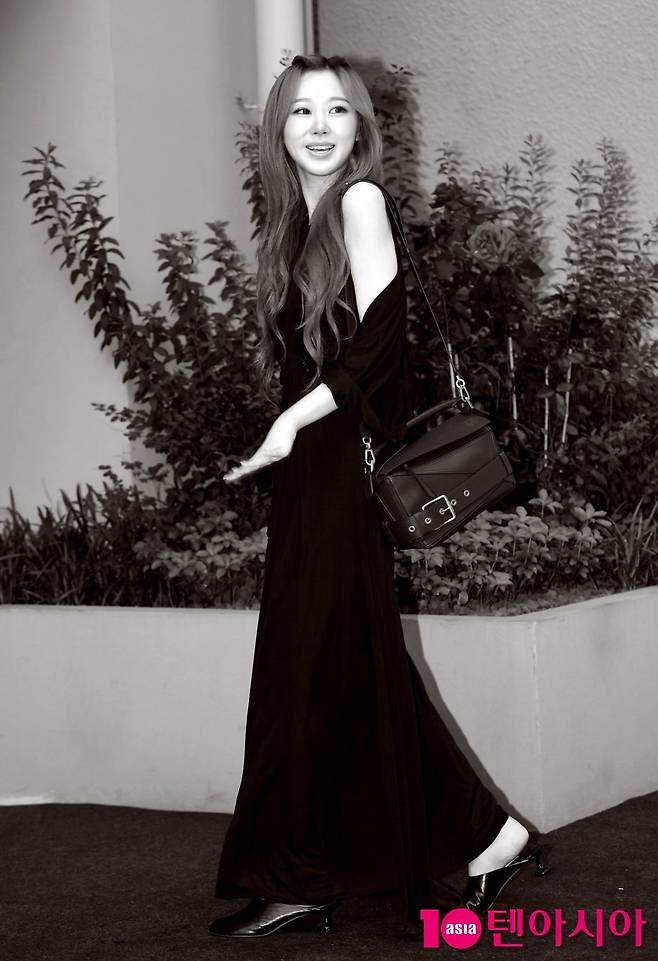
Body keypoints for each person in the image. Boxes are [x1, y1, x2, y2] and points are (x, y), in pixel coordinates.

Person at [209, 53, 549, 940]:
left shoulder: (359, 202)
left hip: (332, 468)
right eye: (301, 111)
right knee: (339, 667)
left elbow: (380, 349)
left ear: (361, 126)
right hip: (313, 475)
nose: (320, 126)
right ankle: (476, 840)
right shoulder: (300, 220)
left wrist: (289, 423)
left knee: (311, 667)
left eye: (337, 110)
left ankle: (312, 870)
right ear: (279, 129)